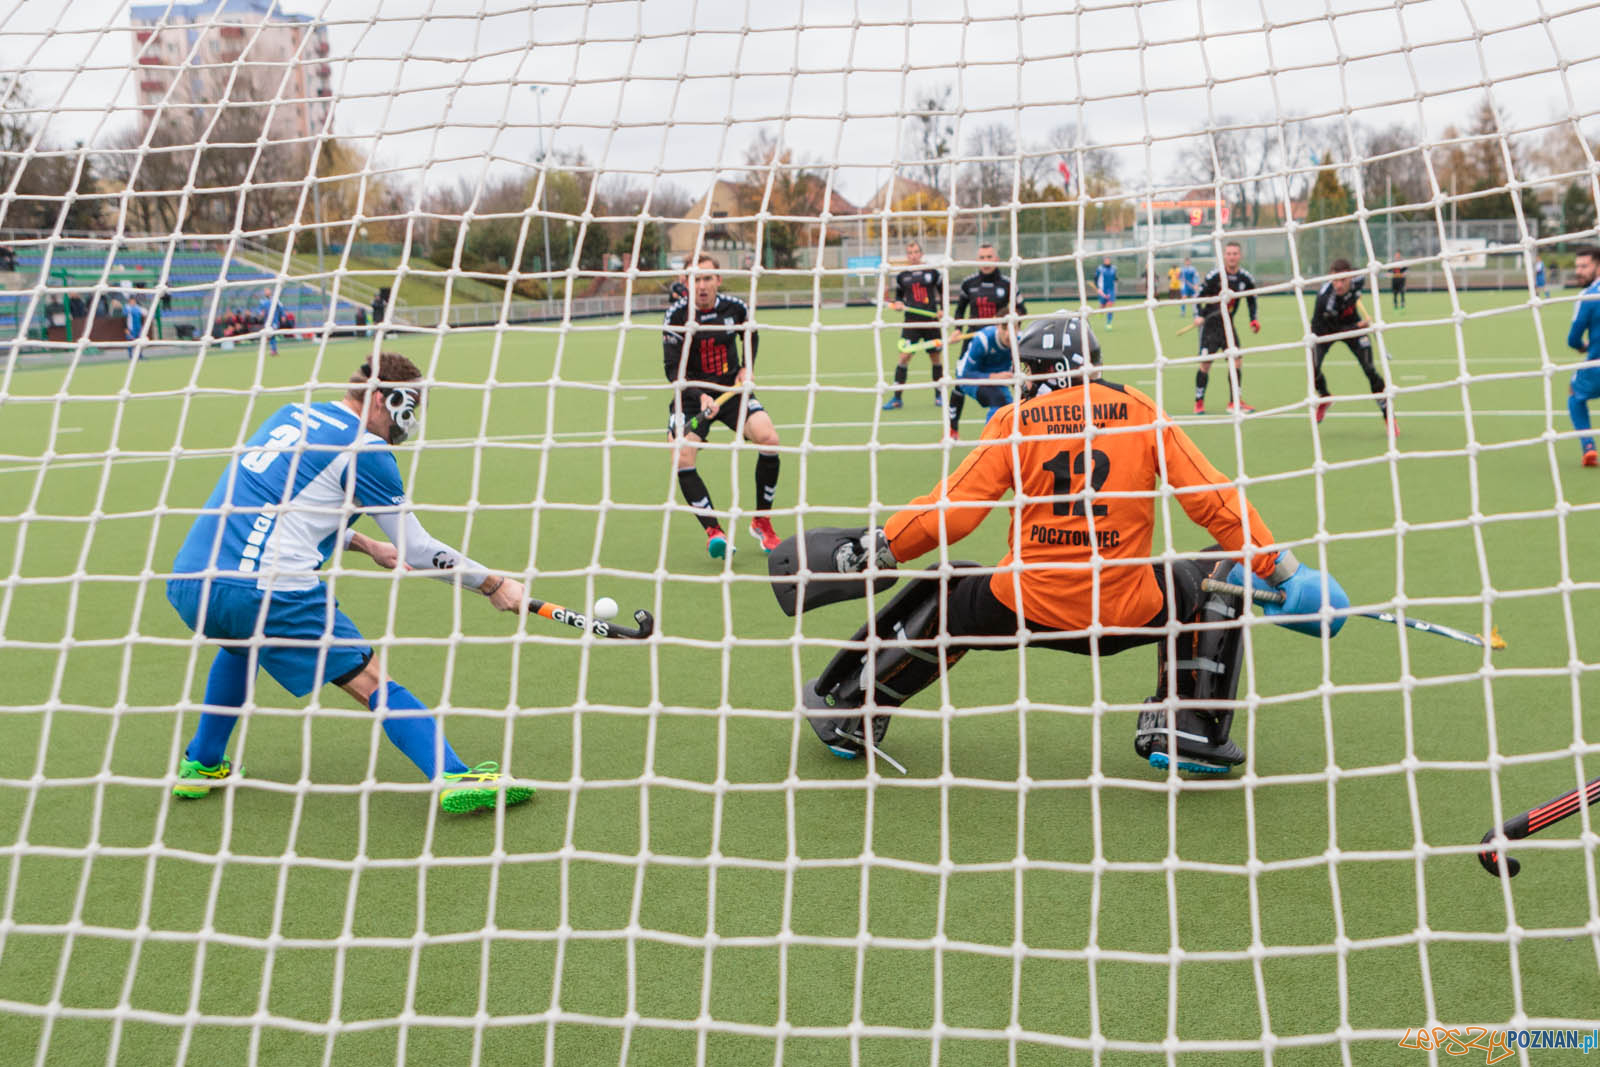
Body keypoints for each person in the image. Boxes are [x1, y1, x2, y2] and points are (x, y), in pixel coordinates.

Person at [798, 312, 1348, 775]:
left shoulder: (1015, 420)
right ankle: (1191, 726)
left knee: (948, 592)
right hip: (1127, 610)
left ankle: (852, 708)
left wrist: (883, 547)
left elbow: (955, 511)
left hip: (1029, 602)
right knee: (1216, 570)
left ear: (1050, 371)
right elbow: (1212, 500)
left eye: (1029, 369)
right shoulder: (1140, 409)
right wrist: (1280, 569)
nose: (1023, 379)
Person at [164, 353, 535, 814]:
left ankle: (202, 763)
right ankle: (453, 776)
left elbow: (281, 505)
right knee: (372, 679)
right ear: (383, 399)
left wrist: (368, 544)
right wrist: (494, 585)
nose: (409, 421)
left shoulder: (293, 415)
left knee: (241, 644)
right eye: (409, 407)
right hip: (268, 591)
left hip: (194, 581)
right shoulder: (366, 450)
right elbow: (418, 548)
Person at [664, 253, 783, 558]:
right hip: (692, 396)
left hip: (731, 392)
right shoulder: (676, 316)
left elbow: (750, 335)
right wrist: (700, 396)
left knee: (769, 438)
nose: (701, 285)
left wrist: (746, 367)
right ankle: (714, 532)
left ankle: (762, 522)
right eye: (695, 279)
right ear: (686, 282)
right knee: (681, 456)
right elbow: (672, 370)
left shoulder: (736, 308)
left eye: (707, 278)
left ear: (718, 279)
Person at [1309, 259, 1395, 435]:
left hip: (1353, 326)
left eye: (1343, 280)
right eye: (1335, 280)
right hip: (1325, 331)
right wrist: (1359, 326)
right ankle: (1325, 396)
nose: (1339, 285)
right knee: (1313, 368)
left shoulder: (1358, 279)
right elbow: (1338, 331)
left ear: (1350, 277)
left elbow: (1367, 271)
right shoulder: (1325, 300)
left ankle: (1389, 416)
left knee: (1370, 369)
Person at [1192, 241, 1260, 415]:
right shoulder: (1214, 276)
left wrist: (1253, 320)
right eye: (1229, 254)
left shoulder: (1245, 278)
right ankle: (1199, 401)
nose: (1232, 257)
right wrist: (1198, 315)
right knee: (1205, 364)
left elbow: (1252, 299)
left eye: (1235, 254)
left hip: (1228, 325)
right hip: (1210, 326)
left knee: (1236, 360)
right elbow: (1198, 296)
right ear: (1224, 256)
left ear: (1240, 256)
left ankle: (1234, 401)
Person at [882, 240, 945, 410]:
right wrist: (898, 304)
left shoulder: (932, 272)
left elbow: (943, 292)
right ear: (907, 256)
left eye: (916, 252)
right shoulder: (902, 276)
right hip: (911, 322)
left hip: (931, 321)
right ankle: (897, 398)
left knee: (935, 358)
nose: (913, 256)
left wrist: (942, 309)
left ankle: (939, 396)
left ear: (921, 254)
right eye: (910, 253)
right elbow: (899, 297)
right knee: (904, 357)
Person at [945, 320, 1014, 441]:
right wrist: (994, 377)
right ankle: (987, 444)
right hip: (968, 378)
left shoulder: (1019, 340)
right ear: (998, 326)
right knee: (997, 399)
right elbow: (966, 374)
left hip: (997, 378)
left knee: (1011, 408)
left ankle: (1004, 442)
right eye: (1004, 328)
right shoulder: (983, 340)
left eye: (1014, 328)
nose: (1008, 333)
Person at [1565, 246, 1600, 468]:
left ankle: (1588, 447)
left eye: (1584, 266)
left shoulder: (1588, 296)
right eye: (1577, 266)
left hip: (1596, 366)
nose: (1579, 271)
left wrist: (1581, 346)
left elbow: (1573, 339)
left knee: (1574, 394)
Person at [1094, 255, 1118, 329]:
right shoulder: (1100, 269)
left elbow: (1115, 278)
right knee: (1102, 305)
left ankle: (1108, 323)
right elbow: (1095, 278)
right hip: (1102, 290)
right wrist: (1098, 288)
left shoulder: (1114, 268)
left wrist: (1116, 281)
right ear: (1104, 261)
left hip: (1111, 290)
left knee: (1110, 305)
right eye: (1106, 260)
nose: (1107, 261)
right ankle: (1100, 311)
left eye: (1108, 260)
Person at [124, 294, 146, 360]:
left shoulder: (138, 307)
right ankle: (131, 356)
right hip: (131, 328)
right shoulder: (127, 307)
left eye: (134, 300)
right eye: (131, 300)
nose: (133, 301)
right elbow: (124, 319)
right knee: (131, 342)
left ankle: (140, 355)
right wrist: (126, 328)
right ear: (129, 301)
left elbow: (144, 314)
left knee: (140, 341)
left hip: (138, 327)